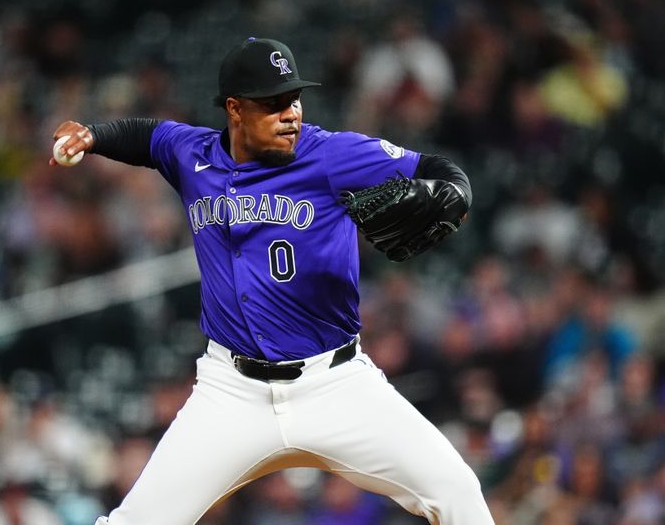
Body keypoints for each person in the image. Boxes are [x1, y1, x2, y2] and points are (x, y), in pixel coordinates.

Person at [50, 37, 494, 525]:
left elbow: (435, 170)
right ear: (235, 109)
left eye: (294, 98)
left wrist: (454, 191)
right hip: (232, 394)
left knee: (456, 492)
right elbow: (147, 137)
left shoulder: (332, 154)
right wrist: (93, 135)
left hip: (337, 384)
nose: (291, 113)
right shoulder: (191, 154)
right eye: (274, 103)